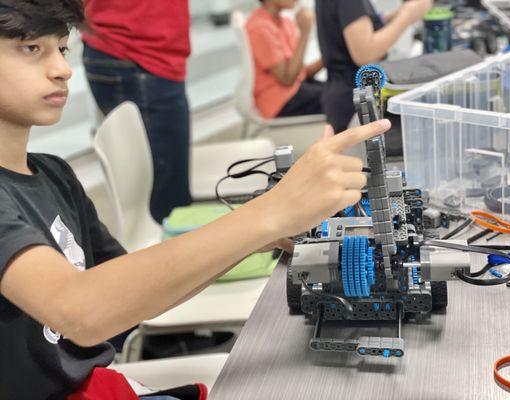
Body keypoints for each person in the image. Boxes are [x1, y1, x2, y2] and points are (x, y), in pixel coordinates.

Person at [0, 0, 391, 398]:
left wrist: (262, 235)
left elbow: (134, 295)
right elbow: (81, 312)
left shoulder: (54, 174)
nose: (62, 69)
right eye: (31, 48)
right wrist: (270, 213)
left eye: (62, 48)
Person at [82, 0, 192, 224]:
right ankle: (170, 258)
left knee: (157, 187)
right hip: (136, 51)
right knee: (165, 200)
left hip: (131, 48)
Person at [316, 0, 433, 133]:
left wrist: (392, 18)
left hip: (342, 93)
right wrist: (407, 15)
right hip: (353, 100)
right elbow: (365, 55)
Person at [246, 0, 324, 119]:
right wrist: (305, 33)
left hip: (296, 88)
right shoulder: (259, 28)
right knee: (342, 97)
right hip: (279, 102)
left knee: (345, 89)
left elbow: (300, 73)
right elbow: (288, 79)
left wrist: (331, 56)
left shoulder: (285, 22)